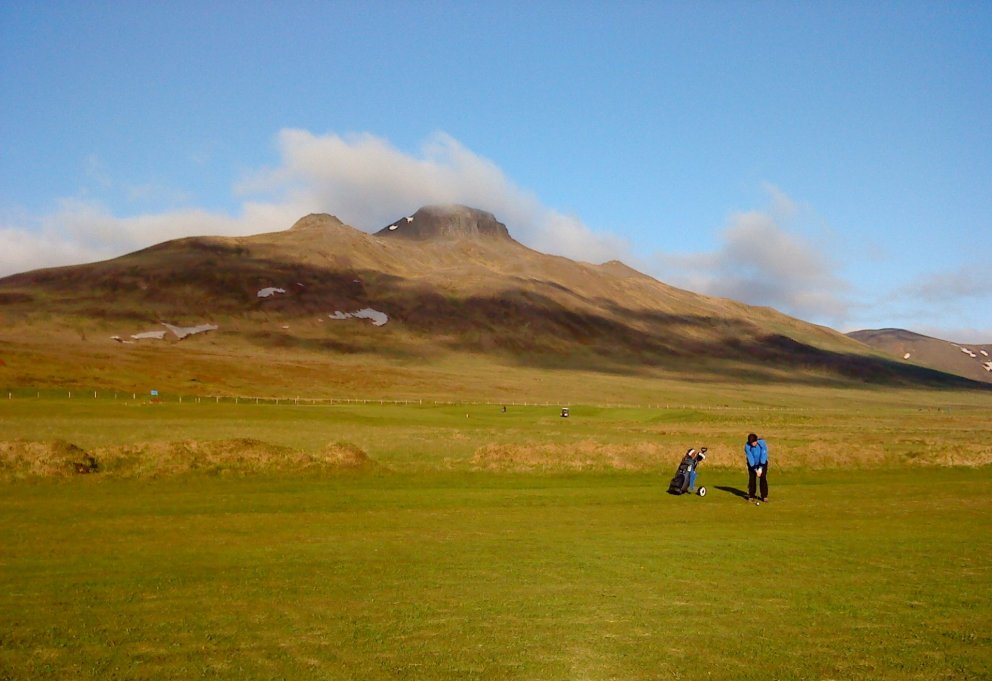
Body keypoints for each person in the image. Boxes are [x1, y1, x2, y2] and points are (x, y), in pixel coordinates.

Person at [744, 433, 769, 501]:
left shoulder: (762, 443)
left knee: (763, 477)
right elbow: (750, 458)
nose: (753, 444)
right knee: (752, 479)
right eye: (751, 443)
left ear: (756, 440)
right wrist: (755, 469)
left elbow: (763, 455)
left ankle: (764, 496)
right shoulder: (747, 446)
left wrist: (760, 468)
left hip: (762, 463)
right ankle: (751, 495)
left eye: (754, 442)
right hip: (752, 464)